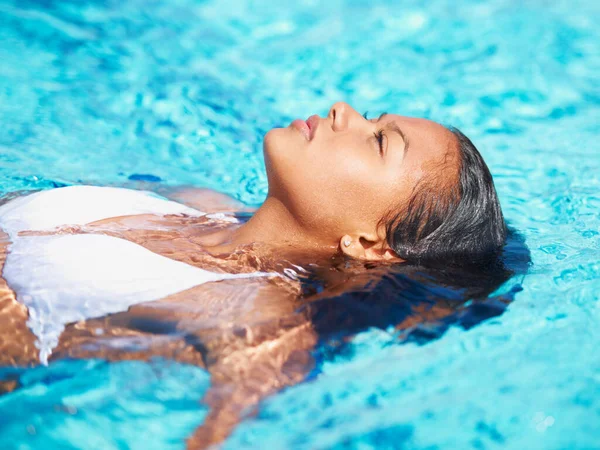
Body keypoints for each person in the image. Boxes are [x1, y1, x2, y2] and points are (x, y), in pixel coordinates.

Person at [0, 102, 510, 448]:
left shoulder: (259, 324)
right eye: (371, 115)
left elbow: (215, 434)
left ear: (373, 244)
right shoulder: (194, 201)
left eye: (378, 141)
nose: (342, 112)